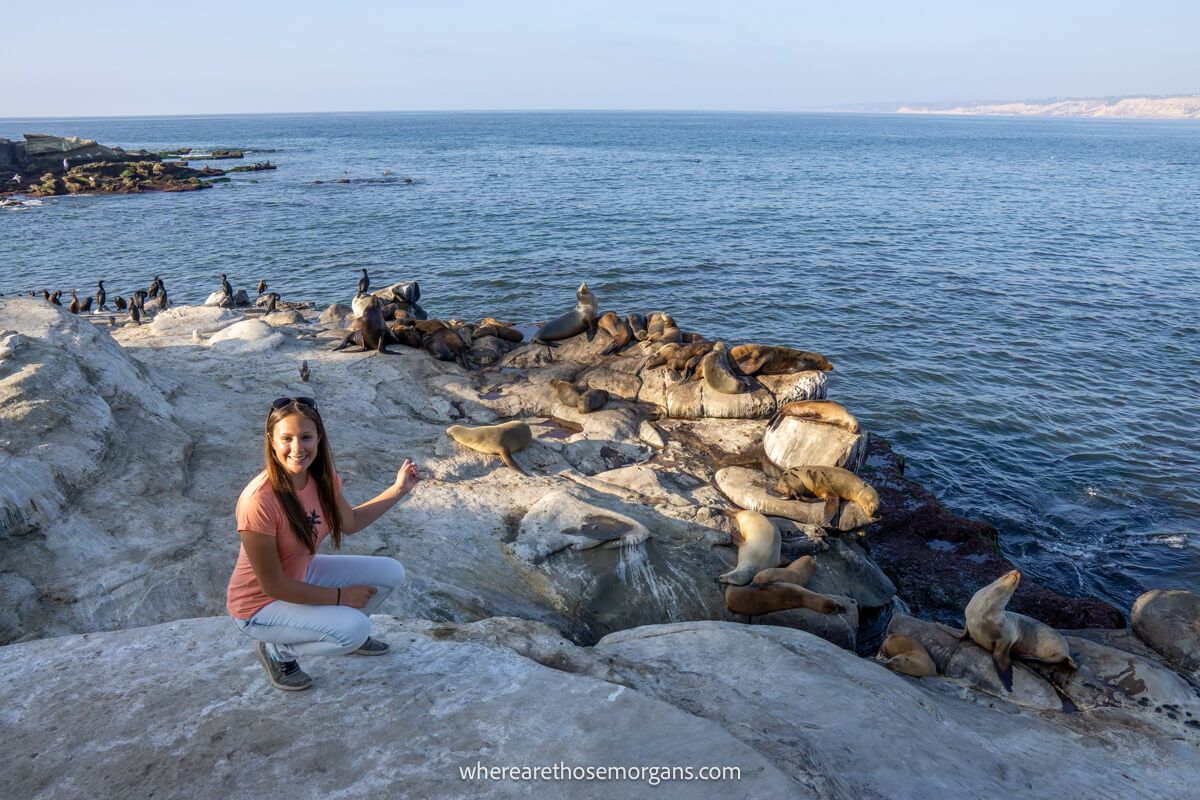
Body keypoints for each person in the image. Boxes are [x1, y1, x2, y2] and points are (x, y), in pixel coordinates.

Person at [226, 396, 418, 691]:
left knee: (391, 572)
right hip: (259, 607)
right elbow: (272, 586)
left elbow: (350, 523)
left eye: (306, 437)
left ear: (319, 438)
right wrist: (341, 597)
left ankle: (336, 631)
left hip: (300, 576)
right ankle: (278, 650)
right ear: (271, 440)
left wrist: (398, 490)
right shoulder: (258, 502)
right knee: (354, 628)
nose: (297, 448)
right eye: (286, 438)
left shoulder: (321, 479)